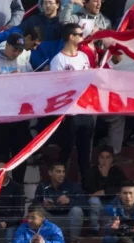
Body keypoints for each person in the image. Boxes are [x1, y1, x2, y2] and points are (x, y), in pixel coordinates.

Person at [0, 34, 32, 185]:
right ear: (7, 45)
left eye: (20, 50)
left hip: (19, 116)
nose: (17, 53)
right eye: (15, 49)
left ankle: (18, 186)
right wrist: (8, 78)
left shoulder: (24, 63)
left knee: (20, 154)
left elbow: (32, 85)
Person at [51, 24, 95, 180]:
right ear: (71, 36)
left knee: (85, 153)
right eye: (80, 34)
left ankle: (86, 187)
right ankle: (61, 187)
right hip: (70, 113)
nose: (82, 38)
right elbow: (57, 86)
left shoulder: (83, 57)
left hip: (87, 111)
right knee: (67, 152)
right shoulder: (58, 60)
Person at [31, 161, 86, 240]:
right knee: (38, 209)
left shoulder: (72, 186)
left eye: (63, 172)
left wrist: (69, 201)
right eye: (58, 172)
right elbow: (33, 206)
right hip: (49, 220)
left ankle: (74, 241)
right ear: (50, 173)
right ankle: (42, 240)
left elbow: (85, 204)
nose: (62, 175)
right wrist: (43, 205)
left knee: (77, 210)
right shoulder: (42, 186)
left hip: (67, 220)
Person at [84, 146, 128, 234]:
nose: (104, 160)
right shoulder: (92, 171)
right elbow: (88, 189)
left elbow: (124, 187)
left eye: (108, 157)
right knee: (94, 201)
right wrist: (103, 177)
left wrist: (105, 191)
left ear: (112, 159)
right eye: (102, 157)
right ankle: (94, 229)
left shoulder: (117, 171)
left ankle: (113, 228)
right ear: (98, 159)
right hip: (96, 201)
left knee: (116, 200)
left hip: (111, 200)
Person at [0, 159, 26, 243]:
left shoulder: (17, 188)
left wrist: (6, 223)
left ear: (8, 170)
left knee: (8, 240)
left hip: (10, 223)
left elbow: (19, 213)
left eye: (2, 169)